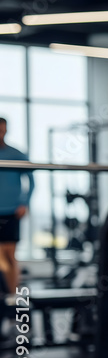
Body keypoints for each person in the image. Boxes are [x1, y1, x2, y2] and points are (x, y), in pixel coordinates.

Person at [0, 117, 33, 293]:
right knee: (1, 257)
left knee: (10, 256)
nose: (1, 134)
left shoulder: (16, 154)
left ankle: (13, 295)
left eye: (3, 130)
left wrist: (24, 203)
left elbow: (32, 181)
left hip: (12, 211)